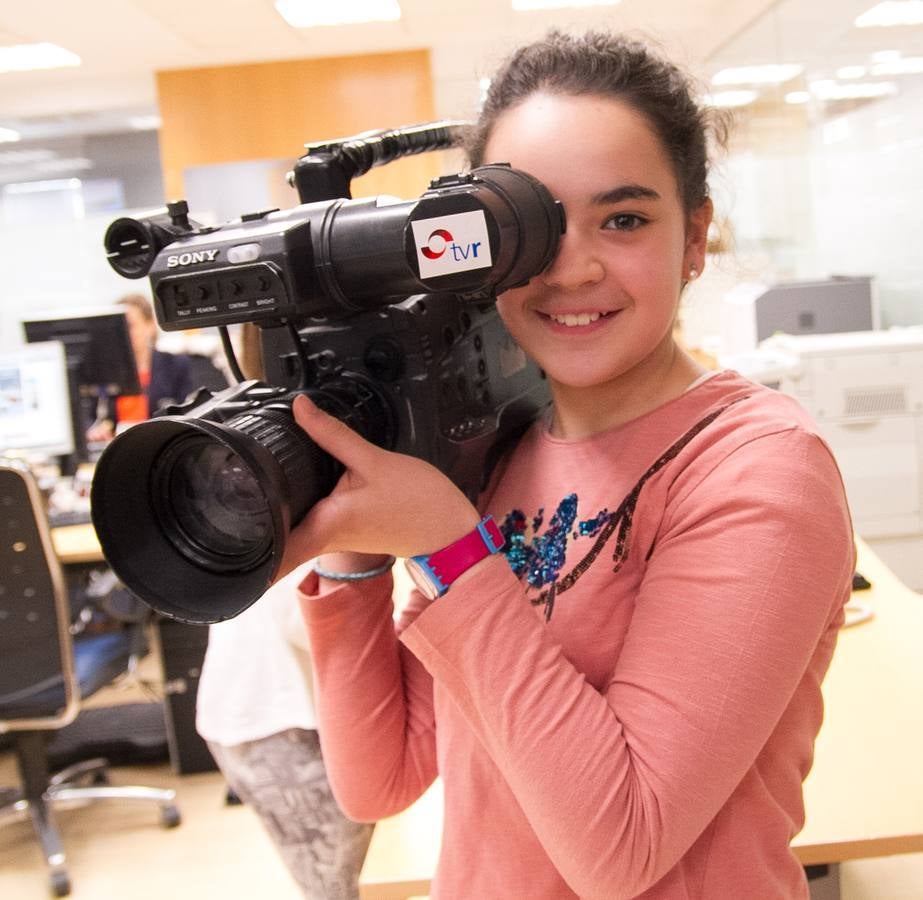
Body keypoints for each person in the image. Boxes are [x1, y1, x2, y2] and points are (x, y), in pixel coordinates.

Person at [281, 30, 854, 899]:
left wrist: (445, 548)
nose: (570, 268)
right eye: (527, 230)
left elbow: (620, 850)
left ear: (694, 236)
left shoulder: (756, 471)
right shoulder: (498, 448)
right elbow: (381, 777)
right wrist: (355, 540)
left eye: (622, 219)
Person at [195, 564, 375, 900]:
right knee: (333, 888)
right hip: (280, 726)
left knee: (335, 882)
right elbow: (312, 617)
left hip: (255, 714)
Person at [87, 293, 194, 440]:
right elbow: (89, 419)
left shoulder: (175, 365)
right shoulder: (102, 372)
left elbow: (191, 414)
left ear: (150, 326)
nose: (124, 333)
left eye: (130, 326)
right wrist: (95, 431)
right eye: (119, 327)